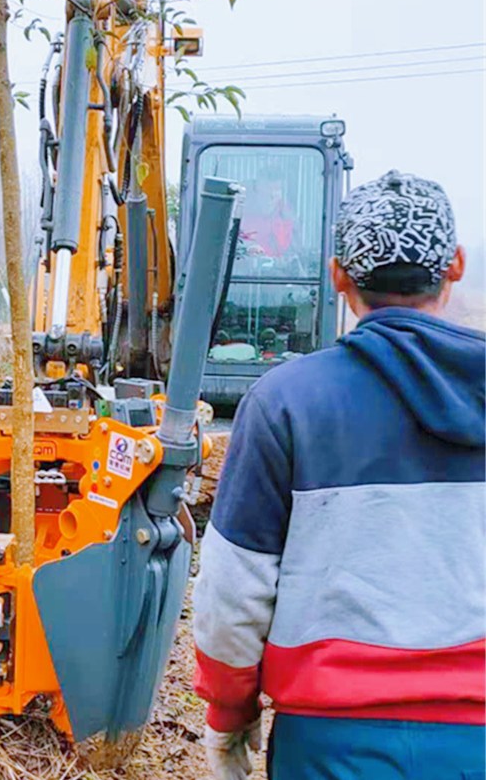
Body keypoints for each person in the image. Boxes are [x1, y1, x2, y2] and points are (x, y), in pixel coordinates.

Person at [192, 169, 485, 779]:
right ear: (455, 265)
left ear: (338, 276)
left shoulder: (285, 403)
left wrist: (229, 713)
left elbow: (232, 592)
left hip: (331, 747)